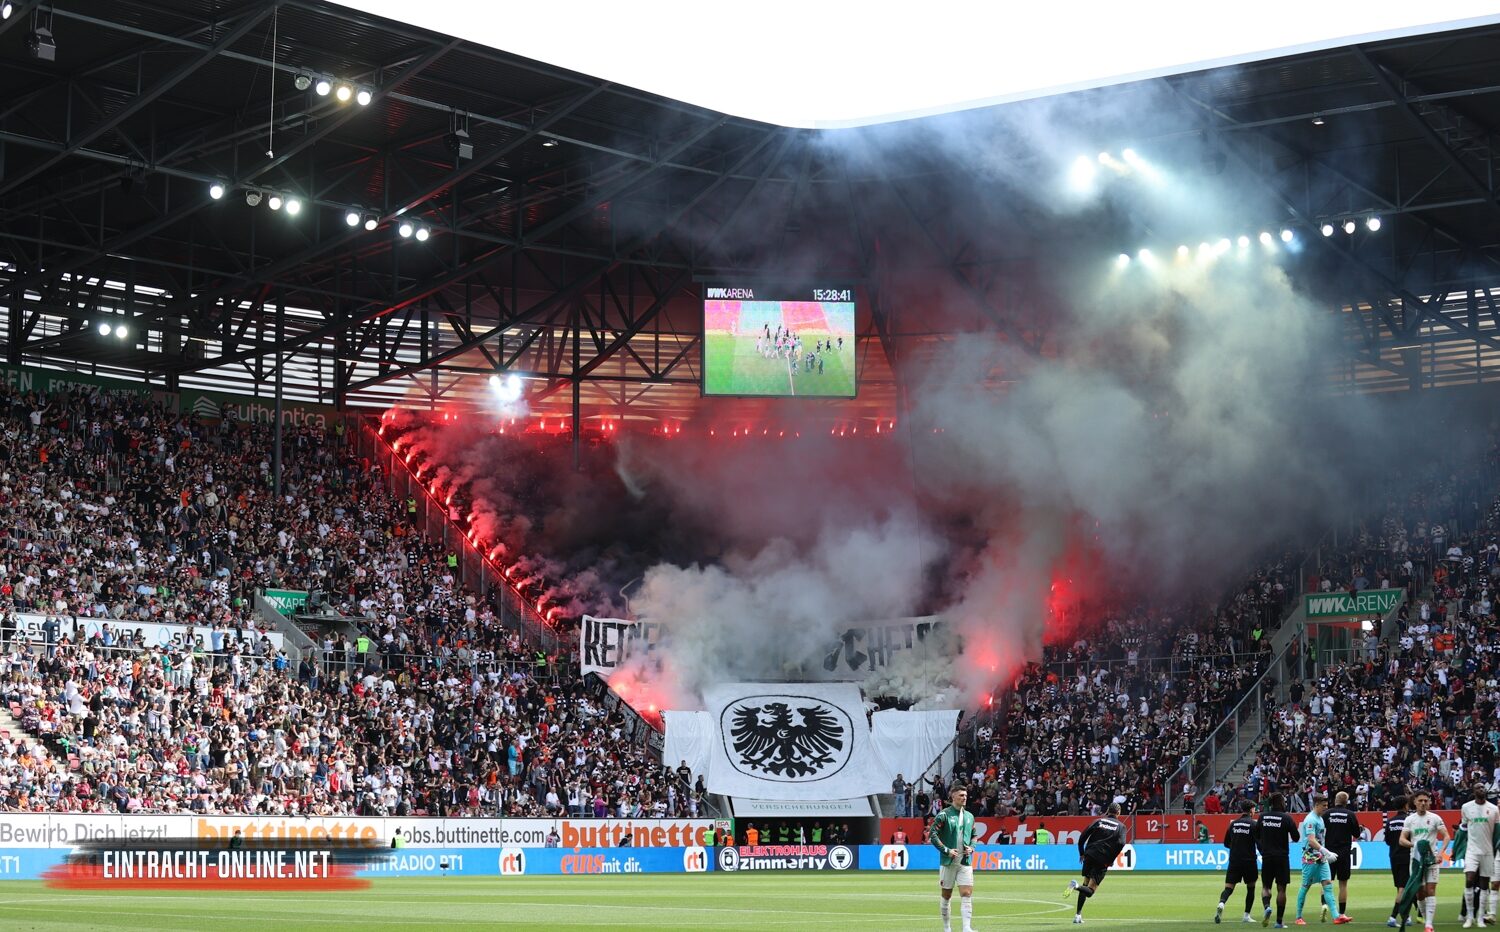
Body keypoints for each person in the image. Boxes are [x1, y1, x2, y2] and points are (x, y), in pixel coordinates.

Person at [1067, 802, 1128, 924]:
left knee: (1086, 883)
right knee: (1090, 890)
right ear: (1119, 813)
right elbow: (1121, 844)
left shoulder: (1098, 821)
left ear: (1107, 811)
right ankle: (1076, 886)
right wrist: (1111, 859)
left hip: (1090, 855)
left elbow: (1082, 837)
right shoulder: (1121, 826)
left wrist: (1082, 853)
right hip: (1103, 859)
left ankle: (1077, 915)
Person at [1295, 795, 1352, 925]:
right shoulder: (1310, 819)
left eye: (1327, 805)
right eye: (1324, 806)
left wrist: (1324, 854)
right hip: (1310, 858)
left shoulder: (1320, 819)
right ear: (1316, 805)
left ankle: (1337, 916)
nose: (1326, 808)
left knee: (1327, 884)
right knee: (1305, 886)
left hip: (1321, 858)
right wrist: (1326, 851)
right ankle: (1298, 916)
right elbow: (1311, 840)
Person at [928, 784, 977, 932]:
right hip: (948, 862)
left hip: (965, 861)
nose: (964, 798)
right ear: (953, 796)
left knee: (967, 893)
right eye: (961, 795)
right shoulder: (944, 815)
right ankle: (947, 928)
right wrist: (946, 850)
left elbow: (974, 835)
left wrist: (972, 847)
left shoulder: (969, 816)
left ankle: (966, 928)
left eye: (966, 795)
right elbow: (932, 835)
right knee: (946, 895)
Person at [1400, 790, 1451, 932]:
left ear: (1429, 802)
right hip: (1416, 860)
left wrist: (1441, 853)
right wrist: (1415, 845)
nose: (1423, 803)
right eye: (1420, 800)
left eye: (1425, 800)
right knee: (1420, 892)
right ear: (1415, 802)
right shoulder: (1410, 819)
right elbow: (1402, 840)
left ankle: (1429, 925)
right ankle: (1425, 919)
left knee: (1430, 889)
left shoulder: (1435, 818)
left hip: (1432, 859)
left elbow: (1446, 836)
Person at [1260, 793, 1301, 928]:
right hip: (1282, 857)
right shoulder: (1286, 818)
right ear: (1281, 802)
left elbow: (1256, 835)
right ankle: (1279, 921)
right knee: (1281, 890)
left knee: (1266, 887)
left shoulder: (1263, 817)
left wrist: (1262, 849)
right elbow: (1296, 837)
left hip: (1266, 857)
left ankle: (1267, 907)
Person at [1217, 801, 1261, 924]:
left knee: (1229, 888)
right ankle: (1246, 915)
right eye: (1254, 809)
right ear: (1251, 810)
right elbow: (1259, 843)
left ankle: (1221, 903)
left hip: (1234, 860)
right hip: (1249, 861)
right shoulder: (1253, 824)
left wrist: (1237, 846)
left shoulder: (1233, 824)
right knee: (1251, 888)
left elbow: (1226, 843)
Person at [1460, 782, 1497, 928]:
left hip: (1487, 851)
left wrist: (1494, 850)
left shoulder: (1494, 809)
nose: (1481, 789)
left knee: (1483, 885)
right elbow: (1463, 829)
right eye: (1478, 788)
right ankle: (1469, 916)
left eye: (1483, 787)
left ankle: (1480, 917)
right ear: (1473, 791)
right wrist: (1459, 849)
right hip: (1472, 850)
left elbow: (1497, 832)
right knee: (1469, 880)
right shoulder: (1466, 807)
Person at [1325, 791, 1359, 921]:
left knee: (1327, 882)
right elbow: (1356, 834)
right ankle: (1342, 913)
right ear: (1346, 802)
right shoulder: (1350, 815)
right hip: (1344, 853)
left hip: (1329, 852)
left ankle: (1324, 906)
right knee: (1343, 884)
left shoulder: (1327, 814)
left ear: (1335, 800)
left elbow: (1321, 831)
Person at [1385, 799, 1410, 928]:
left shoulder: (1390, 821)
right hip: (1406, 856)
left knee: (1400, 886)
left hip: (1394, 856)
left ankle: (1406, 915)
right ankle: (1393, 917)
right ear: (1406, 805)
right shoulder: (1409, 820)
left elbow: (1387, 841)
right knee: (1403, 887)